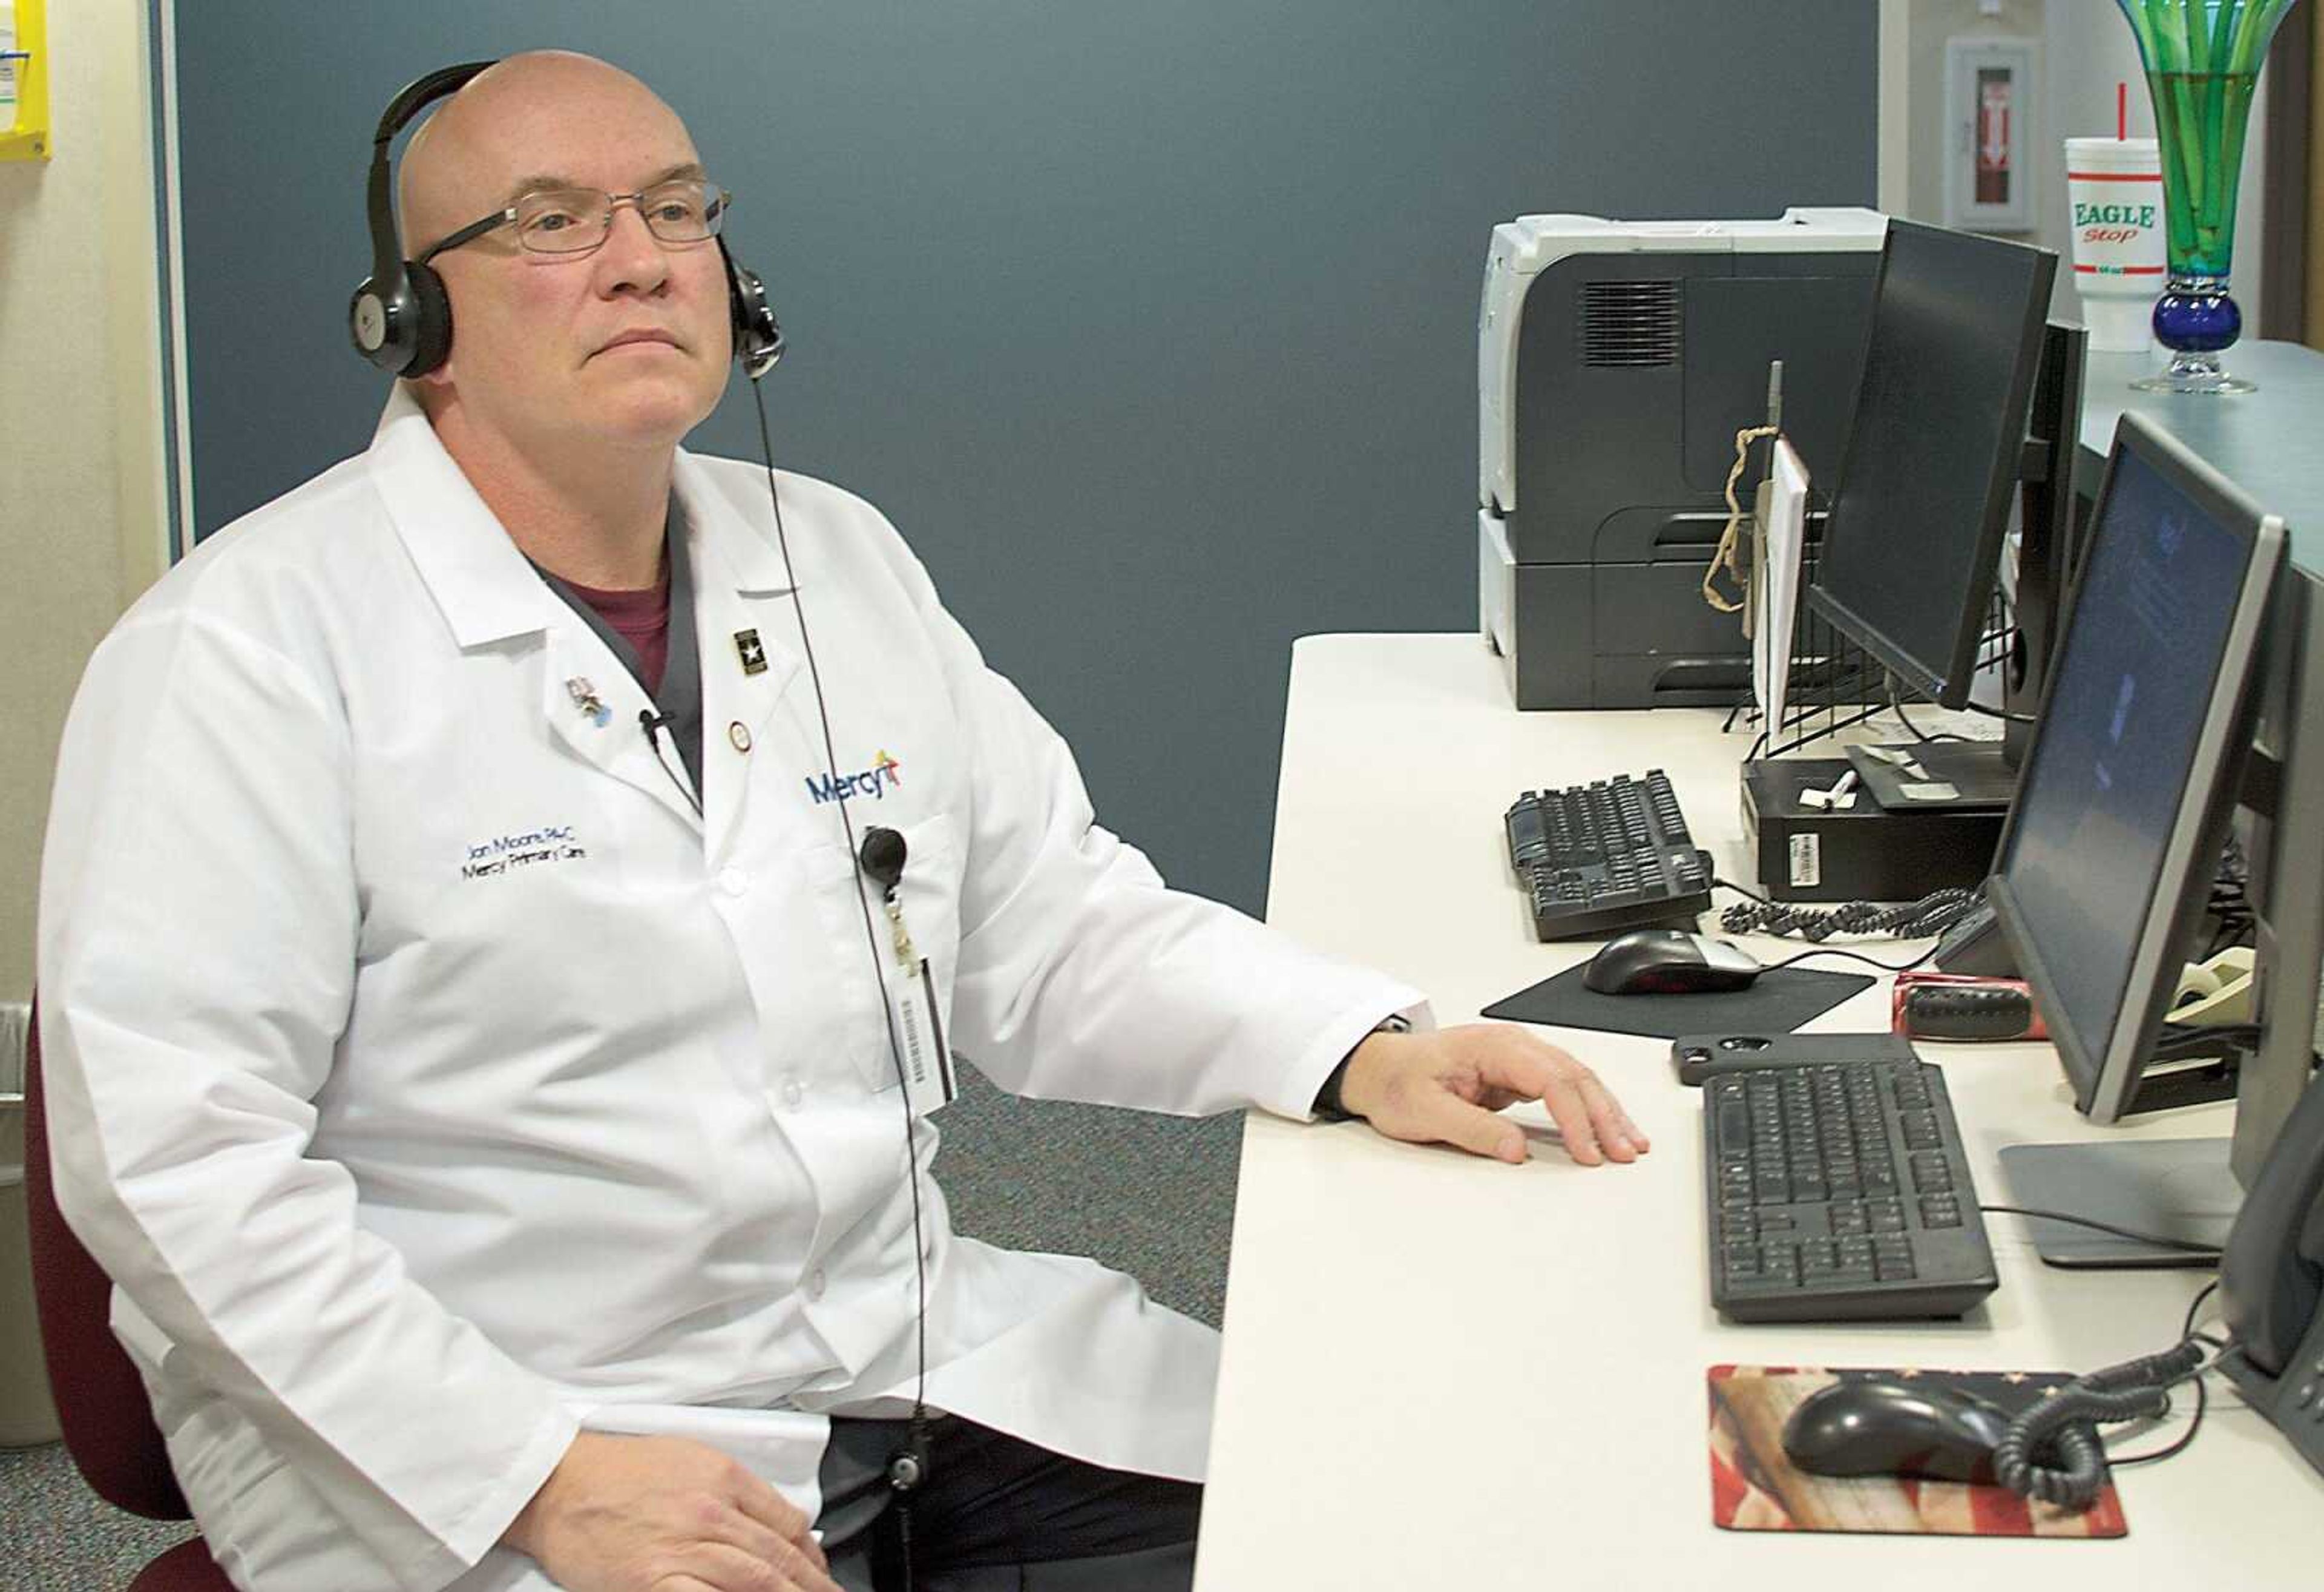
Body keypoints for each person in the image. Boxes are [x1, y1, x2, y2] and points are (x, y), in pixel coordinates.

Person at [38, 51, 1646, 1592]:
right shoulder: (245, 652)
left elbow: (1047, 928)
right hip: (502, 1447)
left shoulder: (831, 562)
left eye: (677, 209)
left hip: (900, 1365)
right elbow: (185, 1172)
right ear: (415, 323)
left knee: (1411, 1526)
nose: (642, 260)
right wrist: (543, 1473)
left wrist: (1355, 1046)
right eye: (548, 221)